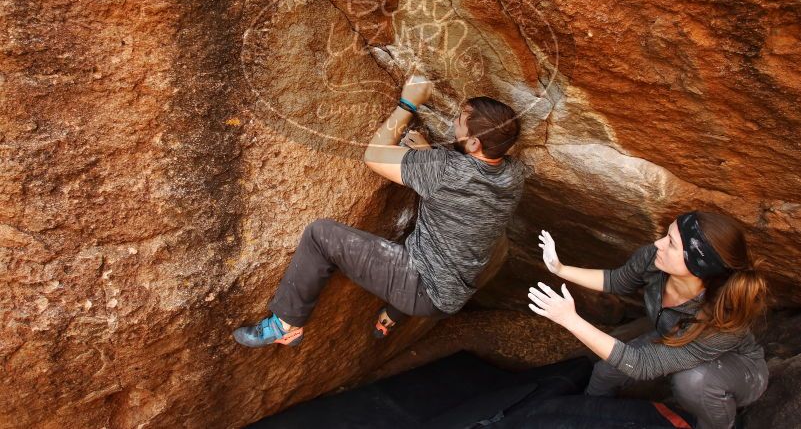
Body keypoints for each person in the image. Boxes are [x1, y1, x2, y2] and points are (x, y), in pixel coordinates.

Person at [233, 75, 525, 347]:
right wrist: (427, 156)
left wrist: (408, 103)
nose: (454, 122)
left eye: (460, 122)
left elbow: (374, 154)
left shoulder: (443, 169)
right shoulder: (513, 174)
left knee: (320, 235)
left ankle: (285, 326)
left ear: (474, 142)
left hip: (421, 287)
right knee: (426, 240)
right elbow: (464, 184)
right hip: (456, 292)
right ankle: (391, 316)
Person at [527, 211, 769, 429]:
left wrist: (570, 320)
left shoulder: (723, 320)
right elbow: (617, 280)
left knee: (692, 381)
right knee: (605, 371)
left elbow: (641, 365)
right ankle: (582, 414)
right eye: (667, 235)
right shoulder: (654, 260)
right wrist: (559, 269)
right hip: (674, 338)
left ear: (698, 266)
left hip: (734, 369)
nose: (658, 243)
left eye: (671, 243)